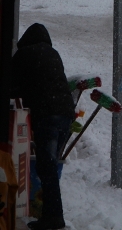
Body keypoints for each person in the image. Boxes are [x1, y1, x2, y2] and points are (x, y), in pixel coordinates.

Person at [10, 23, 75, 230]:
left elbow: (10, 84)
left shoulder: (24, 54)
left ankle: (54, 217)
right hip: (65, 114)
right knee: (49, 165)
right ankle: (51, 213)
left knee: (46, 167)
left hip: (48, 115)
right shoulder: (53, 53)